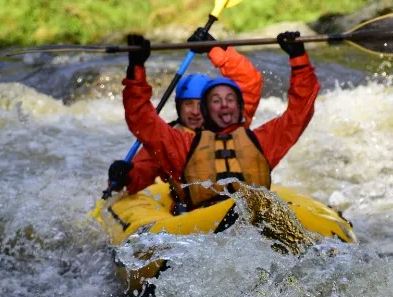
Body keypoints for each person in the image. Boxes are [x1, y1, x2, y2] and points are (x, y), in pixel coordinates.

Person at [120, 30, 318, 214]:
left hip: (255, 218)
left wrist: (299, 59)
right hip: (199, 221)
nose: (224, 105)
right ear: (206, 109)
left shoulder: (259, 141)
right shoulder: (180, 144)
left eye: (230, 100)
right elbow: (142, 119)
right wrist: (136, 68)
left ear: (240, 107)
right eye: (216, 101)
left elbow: (299, 111)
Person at [107, 27, 263, 196]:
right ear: (178, 108)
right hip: (191, 213)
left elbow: (250, 81)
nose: (195, 112)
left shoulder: (230, 125)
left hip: (234, 200)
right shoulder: (168, 140)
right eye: (188, 104)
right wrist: (125, 176)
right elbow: (141, 172)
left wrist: (214, 47)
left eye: (200, 105)